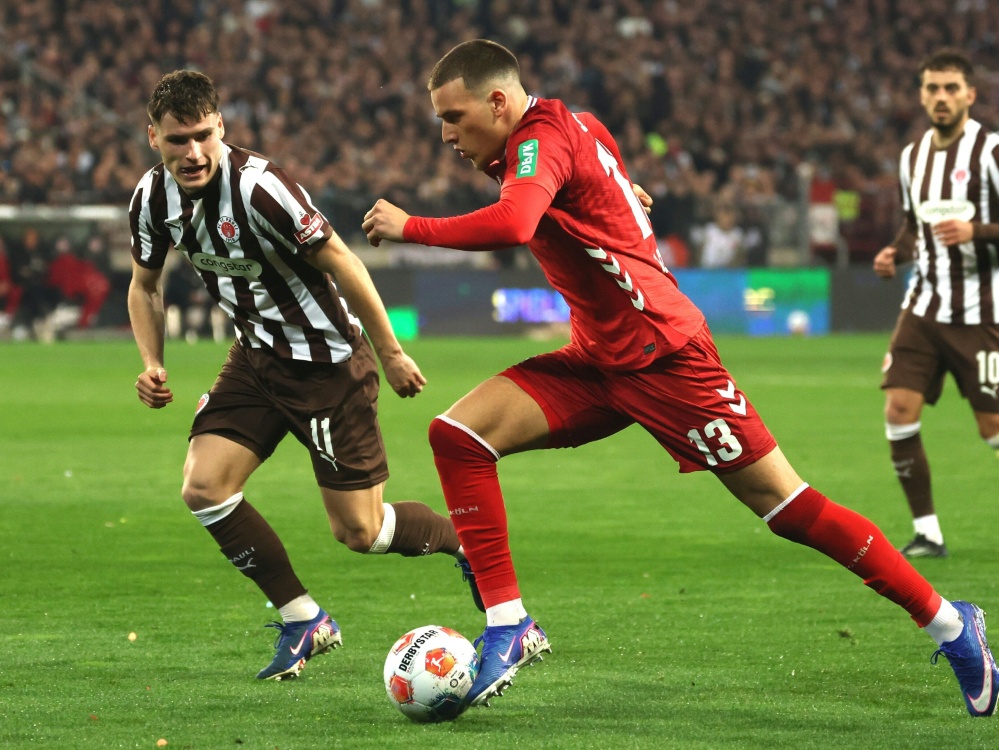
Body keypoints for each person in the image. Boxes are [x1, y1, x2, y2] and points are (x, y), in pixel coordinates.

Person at [363, 39, 998, 716]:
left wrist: (411, 226)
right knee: (458, 437)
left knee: (789, 509)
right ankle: (508, 623)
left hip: (666, 360)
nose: (446, 135)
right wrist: (620, 194)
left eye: (453, 117)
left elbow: (517, 221)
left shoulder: (538, 144)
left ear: (498, 101)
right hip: (599, 360)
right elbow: (610, 179)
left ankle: (951, 624)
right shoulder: (576, 125)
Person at [128, 70, 481, 682]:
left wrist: (391, 352)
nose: (194, 153)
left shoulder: (262, 189)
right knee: (204, 487)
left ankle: (467, 543)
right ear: (153, 136)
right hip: (254, 358)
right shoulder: (151, 199)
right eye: (178, 140)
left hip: (327, 366)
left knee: (362, 531)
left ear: (221, 127)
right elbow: (144, 286)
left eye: (204, 136)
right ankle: (303, 619)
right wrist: (152, 361)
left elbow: (343, 260)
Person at [873, 49, 999, 560]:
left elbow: (973, 229)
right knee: (899, 409)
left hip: (981, 309)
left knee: (992, 428)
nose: (941, 97)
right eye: (932, 88)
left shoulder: (990, 152)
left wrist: (977, 231)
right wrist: (894, 252)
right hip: (923, 306)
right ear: (921, 95)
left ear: (970, 94)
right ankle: (928, 533)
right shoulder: (912, 156)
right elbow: (914, 225)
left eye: (951, 88)